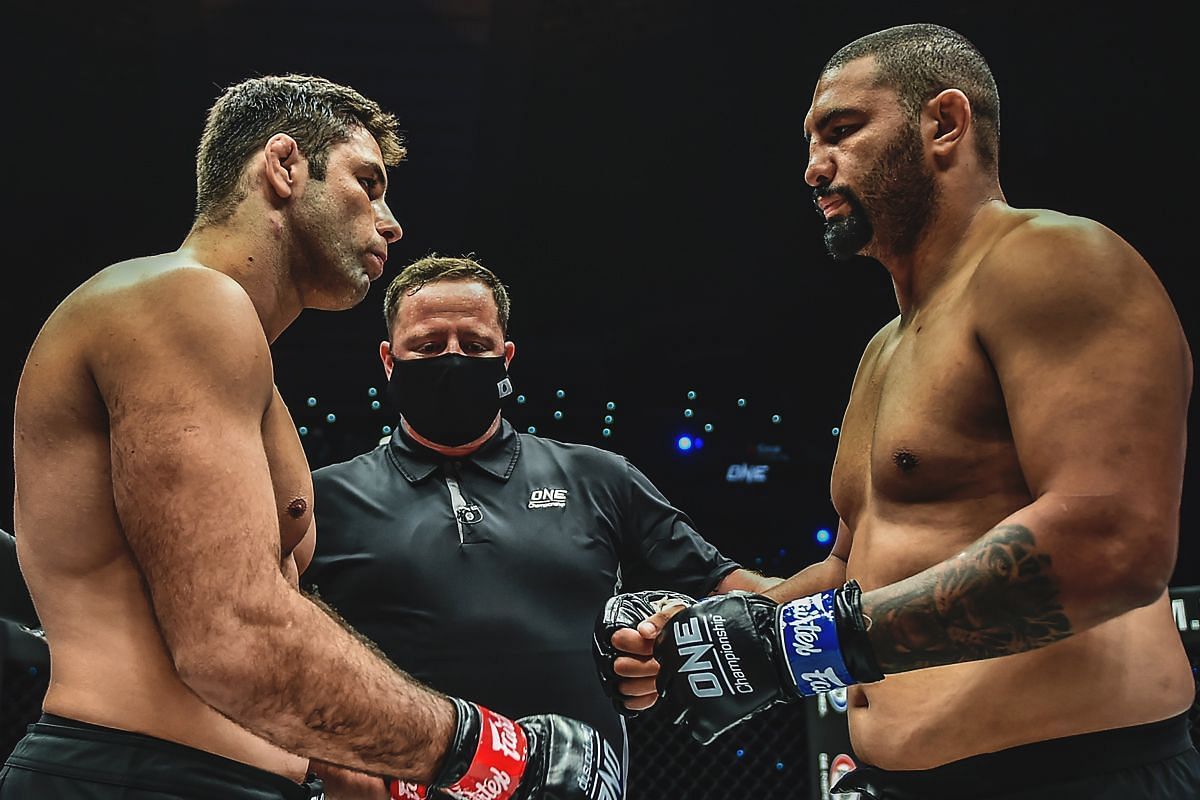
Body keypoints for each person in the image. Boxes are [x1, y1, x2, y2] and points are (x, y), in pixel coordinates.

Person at [598, 23, 1200, 800]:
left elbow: (1112, 542)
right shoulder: (885, 350)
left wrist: (796, 648)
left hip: (1074, 774)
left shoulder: (1054, 261)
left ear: (944, 123)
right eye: (811, 142)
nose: (815, 167)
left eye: (843, 131)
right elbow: (855, 569)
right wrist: (714, 630)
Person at [3, 74, 616, 800]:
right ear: (285, 166)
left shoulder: (248, 373)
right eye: (370, 182)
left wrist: (388, 778)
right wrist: (492, 750)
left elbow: (269, 620)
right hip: (138, 774)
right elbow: (232, 637)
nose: (391, 224)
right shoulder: (180, 299)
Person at [298, 252, 781, 798]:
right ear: (389, 360)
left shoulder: (599, 476)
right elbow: (269, 649)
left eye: (475, 345)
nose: (453, 358)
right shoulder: (323, 497)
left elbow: (738, 591)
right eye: (429, 346)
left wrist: (850, 591)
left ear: (506, 358)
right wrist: (330, 764)